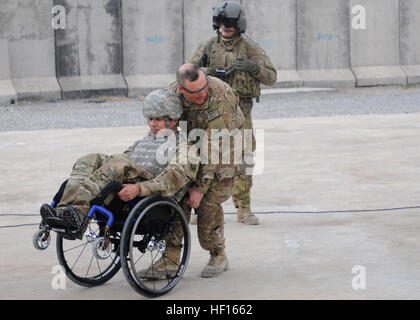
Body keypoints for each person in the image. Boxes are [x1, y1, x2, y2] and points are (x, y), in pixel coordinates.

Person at [39, 89, 200, 236]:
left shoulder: (186, 147)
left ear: (173, 121)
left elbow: (172, 180)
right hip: (122, 189)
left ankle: (79, 215)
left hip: (149, 197)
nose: (152, 124)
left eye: (158, 119)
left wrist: (139, 188)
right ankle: (63, 211)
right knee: (91, 159)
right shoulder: (144, 142)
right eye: (150, 119)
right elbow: (115, 163)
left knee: (120, 162)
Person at [188, 1, 277, 225]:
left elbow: (272, 77)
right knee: (200, 155)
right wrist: (208, 72)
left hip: (240, 111)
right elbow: (187, 72)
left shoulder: (250, 48)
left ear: (239, 25)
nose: (225, 27)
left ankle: (244, 207)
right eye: (221, 23)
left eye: (230, 23)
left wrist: (252, 67)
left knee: (244, 158)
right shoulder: (208, 46)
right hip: (211, 110)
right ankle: (192, 205)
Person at [169, 63, 244, 278]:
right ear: (182, 90)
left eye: (204, 88)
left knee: (208, 202)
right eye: (195, 92)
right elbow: (162, 127)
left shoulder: (222, 96)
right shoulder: (172, 94)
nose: (202, 94)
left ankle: (218, 254)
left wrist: (200, 189)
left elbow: (213, 149)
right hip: (191, 144)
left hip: (224, 147)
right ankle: (171, 256)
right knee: (175, 197)